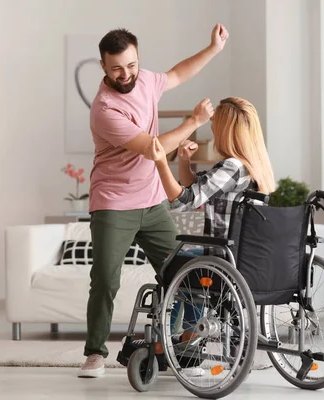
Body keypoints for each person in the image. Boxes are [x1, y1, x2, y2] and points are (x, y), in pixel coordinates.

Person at [78, 24, 230, 378]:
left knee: (184, 271)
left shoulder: (144, 79)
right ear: (103, 66)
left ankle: (184, 349)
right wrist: (194, 121)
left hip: (153, 200)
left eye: (131, 65)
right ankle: (95, 354)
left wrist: (213, 49)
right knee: (105, 278)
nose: (126, 74)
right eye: (117, 68)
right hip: (114, 202)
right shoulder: (104, 108)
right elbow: (154, 149)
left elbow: (177, 73)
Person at [144, 97, 276, 338]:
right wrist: (184, 160)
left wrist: (162, 162)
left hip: (224, 258)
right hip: (250, 260)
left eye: (215, 124)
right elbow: (196, 188)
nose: (212, 129)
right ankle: (179, 337)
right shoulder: (255, 167)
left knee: (174, 265)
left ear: (226, 130)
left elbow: (183, 201)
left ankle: (180, 337)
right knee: (185, 261)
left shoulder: (232, 167)